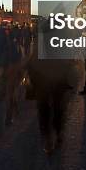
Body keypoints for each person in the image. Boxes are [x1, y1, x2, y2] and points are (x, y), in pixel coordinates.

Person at [27, 19, 73, 154]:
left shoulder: (40, 42)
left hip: (42, 82)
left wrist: (32, 81)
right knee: (58, 109)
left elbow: (32, 62)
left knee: (44, 110)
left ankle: (48, 140)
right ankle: (58, 133)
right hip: (57, 81)